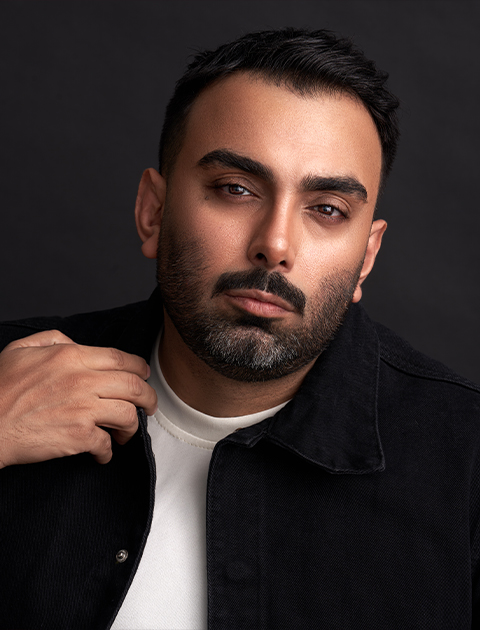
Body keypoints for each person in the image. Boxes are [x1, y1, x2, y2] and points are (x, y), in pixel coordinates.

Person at [0, 27, 479, 630]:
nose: (275, 244)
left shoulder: (466, 463)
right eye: (236, 189)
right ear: (153, 211)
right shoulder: (8, 379)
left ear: (366, 258)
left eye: (327, 209)